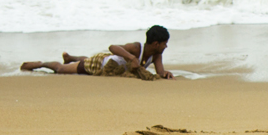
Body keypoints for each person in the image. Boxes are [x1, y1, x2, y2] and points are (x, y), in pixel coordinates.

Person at [21, 25, 175, 79]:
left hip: (108, 61)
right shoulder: (135, 48)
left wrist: (166, 74)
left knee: (85, 60)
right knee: (62, 70)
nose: (165, 47)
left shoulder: (157, 55)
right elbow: (112, 47)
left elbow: (160, 72)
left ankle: (70, 57)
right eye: (164, 44)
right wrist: (131, 57)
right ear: (156, 43)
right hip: (100, 65)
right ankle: (41, 64)